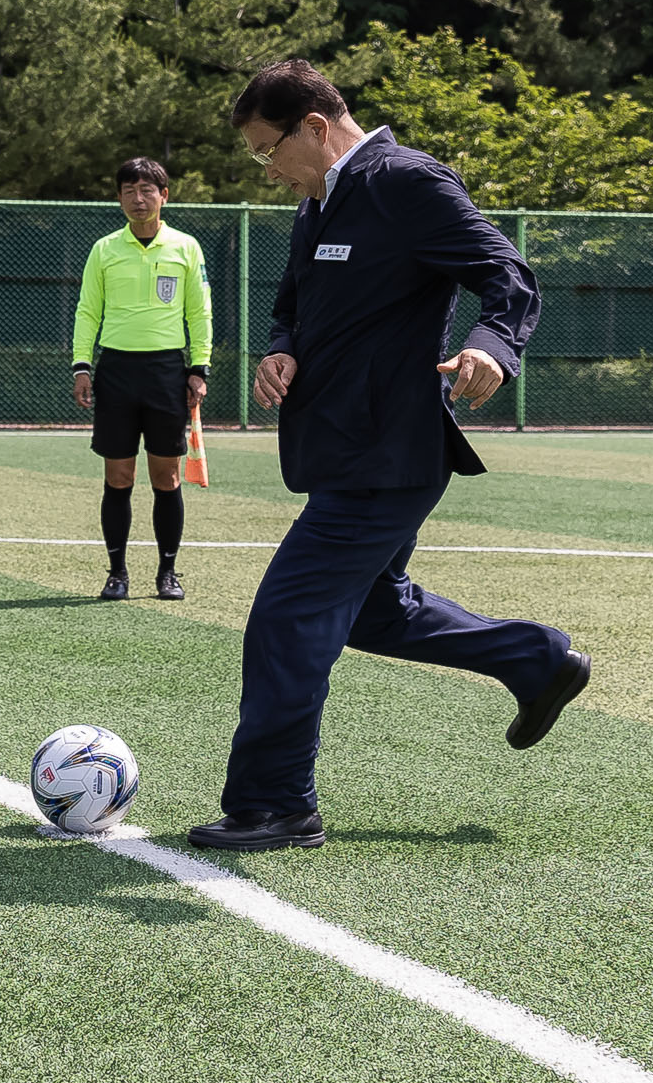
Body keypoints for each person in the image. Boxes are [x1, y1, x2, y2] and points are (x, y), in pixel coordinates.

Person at [191, 60, 590, 852]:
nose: (267, 170)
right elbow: (293, 305)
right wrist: (283, 351)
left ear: (314, 125)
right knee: (372, 610)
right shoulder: (318, 202)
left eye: (269, 150)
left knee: (288, 615)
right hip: (340, 449)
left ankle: (275, 803)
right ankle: (537, 659)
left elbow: (507, 274)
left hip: (390, 452)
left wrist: (491, 347)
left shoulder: (407, 182)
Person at [71, 157, 212, 602]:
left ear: (164, 196)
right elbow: (88, 310)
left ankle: (167, 574)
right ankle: (117, 573)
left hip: (166, 373)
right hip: (116, 372)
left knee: (167, 478)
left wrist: (199, 367)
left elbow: (199, 311)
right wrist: (81, 365)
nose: (138, 199)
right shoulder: (104, 249)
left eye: (147, 190)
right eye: (129, 190)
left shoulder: (186, 247)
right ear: (119, 198)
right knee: (118, 477)